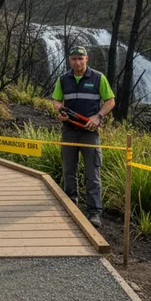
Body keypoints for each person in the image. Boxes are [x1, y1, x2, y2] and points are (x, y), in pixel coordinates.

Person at [52, 46, 115, 228]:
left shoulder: (98, 78)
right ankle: (71, 205)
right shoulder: (63, 79)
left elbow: (110, 101)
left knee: (92, 174)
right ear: (69, 60)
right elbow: (56, 100)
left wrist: (98, 117)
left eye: (80, 58)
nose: (77, 62)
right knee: (68, 171)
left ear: (87, 58)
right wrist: (59, 111)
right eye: (73, 59)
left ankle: (94, 213)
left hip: (90, 133)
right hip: (69, 130)